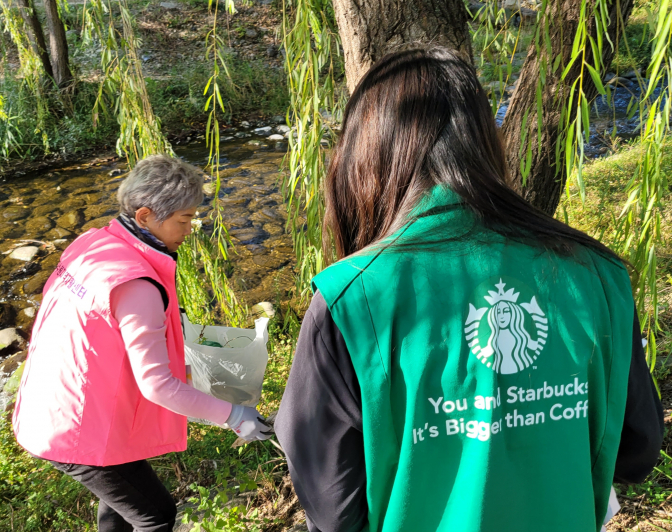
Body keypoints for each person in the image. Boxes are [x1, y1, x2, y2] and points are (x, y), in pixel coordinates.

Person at [275, 48, 665, 532]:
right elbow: (637, 452)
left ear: (364, 158)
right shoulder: (596, 275)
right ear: (485, 142)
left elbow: (332, 508)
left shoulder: (350, 301)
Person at [13, 154, 270, 532]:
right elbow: (157, 385)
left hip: (51, 403)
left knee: (120, 503)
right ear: (146, 215)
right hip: (75, 424)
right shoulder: (136, 283)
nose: (190, 229)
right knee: (154, 515)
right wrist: (234, 415)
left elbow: (98, 333)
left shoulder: (94, 245)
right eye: (184, 220)